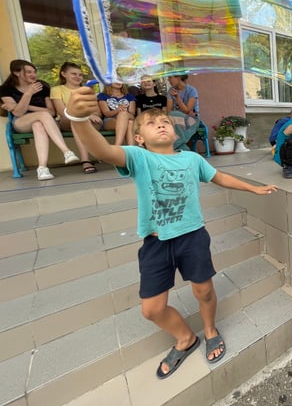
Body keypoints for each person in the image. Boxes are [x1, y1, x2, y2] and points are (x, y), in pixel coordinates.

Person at [64, 86, 278, 379]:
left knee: (204, 290)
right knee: (151, 309)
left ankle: (210, 329)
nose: (160, 124)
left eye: (164, 121)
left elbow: (221, 177)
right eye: (151, 123)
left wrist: (253, 187)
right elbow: (102, 150)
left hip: (192, 236)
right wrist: (76, 119)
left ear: (175, 133)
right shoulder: (138, 158)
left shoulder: (192, 159)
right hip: (156, 243)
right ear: (139, 138)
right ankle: (185, 338)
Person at [0, 59, 80, 180]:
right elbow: (18, 112)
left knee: (39, 124)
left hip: (47, 122)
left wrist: (20, 105)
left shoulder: (42, 87)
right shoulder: (5, 89)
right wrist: (28, 94)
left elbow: (51, 112)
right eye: (28, 72)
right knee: (42, 115)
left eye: (34, 72)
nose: (33, 75)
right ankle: (66, 151)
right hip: (22, 121)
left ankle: (42, 168)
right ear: (16, 73)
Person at [51, 62, 102, 173]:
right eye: (74, 74)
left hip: (88, 122)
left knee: (78, 121)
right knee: (76, 120)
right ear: (63, 74)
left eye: (80, 74)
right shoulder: (57, 90)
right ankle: (85, 160)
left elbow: (97, 112)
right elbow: (62, 111)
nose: (78, 77)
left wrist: (90, 115)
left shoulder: (87, 90)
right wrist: (84, 115)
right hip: (66, 121)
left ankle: (101, 156)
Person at [98, 82, 136, 146]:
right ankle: (132, 150)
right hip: (110, 120)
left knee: (125, 117)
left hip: (127, 117)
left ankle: (117, 146)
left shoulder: (129, 96)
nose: (119, 82)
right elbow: (107, 114)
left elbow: (132, 114)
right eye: (116, 80)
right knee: (129, 122)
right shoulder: (103, 96)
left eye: (120, 80)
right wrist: (117, 110)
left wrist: (122, 113)